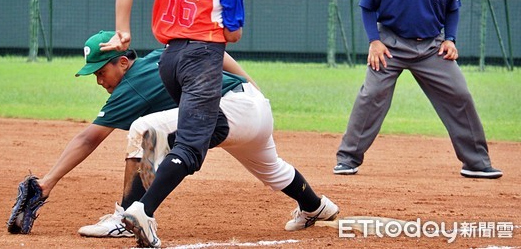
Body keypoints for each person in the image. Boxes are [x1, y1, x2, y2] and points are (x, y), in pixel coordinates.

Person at [17, 31, 338, 241]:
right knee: (273, 169)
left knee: (144, 130)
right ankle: (316, 207)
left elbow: (88, 139)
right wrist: (252, 86)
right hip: (252, 107)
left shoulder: (129, 87)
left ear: (124, 62)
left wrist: (48, 181)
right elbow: (216, 51)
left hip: (229, 109)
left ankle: (126, 218)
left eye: (102, 72)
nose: (99, 81)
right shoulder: (161, 54)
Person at [99, 0, 260, 247]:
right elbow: (232, 34)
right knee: (190, 149)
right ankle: (142, 210)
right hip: (202, 60)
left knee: (207, 127)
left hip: (168, 60)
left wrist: (122, 30)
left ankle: (154, 172)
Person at [333, 0, 502, 179]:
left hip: (432, 47)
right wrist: (374, 41)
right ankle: (347, 158)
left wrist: (451, 38)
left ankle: (476, 162)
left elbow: (452, 8)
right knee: (371, 95)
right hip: (391, 44)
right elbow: (367, 7)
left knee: (460, 94)